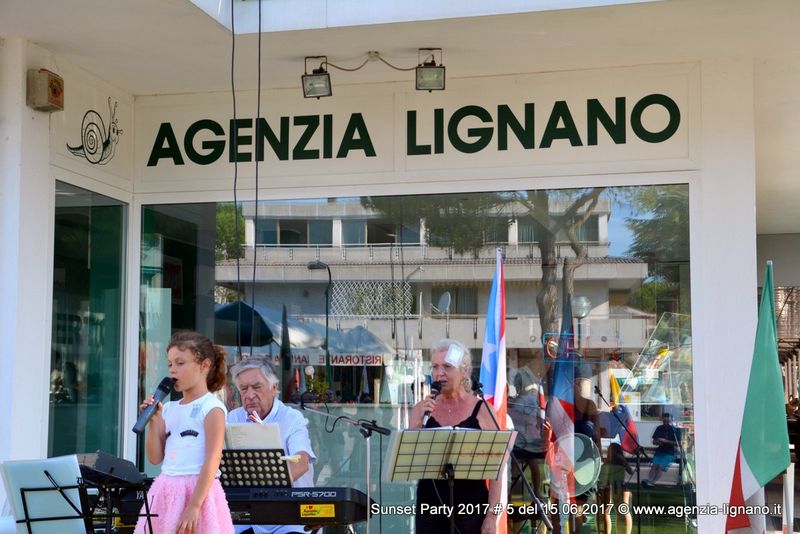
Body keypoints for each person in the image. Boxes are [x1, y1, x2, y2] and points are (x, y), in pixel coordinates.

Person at [135, 331, 233, 534]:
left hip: (198, 493)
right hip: (166, 490)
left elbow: (213, 459)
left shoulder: (211, 408)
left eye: (180, 363)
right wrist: (154, 420)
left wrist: (194, 506)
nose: (173, 370)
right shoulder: (169, 409)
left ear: (204, 365)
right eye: (170, 364)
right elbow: (155, 457)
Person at [410, 339, 505, 534]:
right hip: (430, 507)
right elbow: (408, 459)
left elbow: (498, 468)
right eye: (435, 367)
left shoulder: (483, 410)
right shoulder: (421, 409)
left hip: (472, 507)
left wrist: (492, 516)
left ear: (464, 371)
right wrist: (417, 422)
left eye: (447, 366)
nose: (439, 373)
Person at [227, 358, 316, 534]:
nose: (249, 395)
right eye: (244, 389)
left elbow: (301, 463)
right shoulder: (233, 418)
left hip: (290, 517)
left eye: (256, 387)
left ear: (273, 388)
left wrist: (266, 490)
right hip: (248, 517)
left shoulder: (291, 418)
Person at [598, 440, 633, 534]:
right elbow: (630, 471)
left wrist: (622, 460)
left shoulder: (614, 462)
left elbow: (630, 471)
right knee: (621, 512)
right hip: (616, 487)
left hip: (616, 488)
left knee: (620, 511)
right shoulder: (615, 463)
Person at [642, 412, 681, 487]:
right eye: (664, 421)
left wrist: (666, 441)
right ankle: (650, 481)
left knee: (660, 467)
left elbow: (679, 443)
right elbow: (654, 441)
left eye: (667, 421)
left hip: (670, 452)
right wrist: (658, 442)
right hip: (660, 451)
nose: (665, 423)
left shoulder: (676, 429)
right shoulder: (659, 428)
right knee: (654, 466)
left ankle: (652, 482)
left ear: (671, 421)